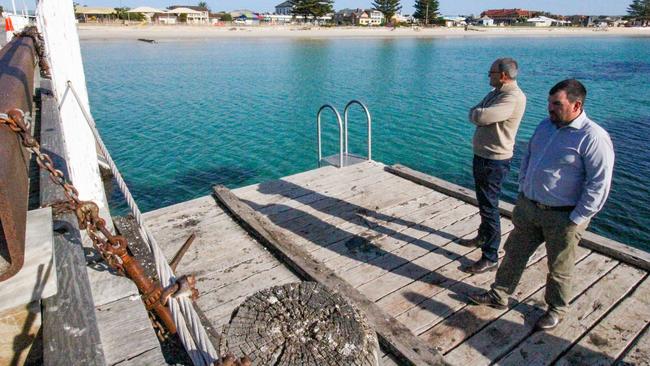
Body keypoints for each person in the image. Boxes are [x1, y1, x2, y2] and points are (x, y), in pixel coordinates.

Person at [468, 79, 615, 331]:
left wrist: (577, 217)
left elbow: (599, 184)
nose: (550, 108)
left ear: (577, 105)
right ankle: (499, 294)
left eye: (557, 104)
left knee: (559, 267)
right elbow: (528, 157)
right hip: (529, 208)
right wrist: (524, 189)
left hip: (564, 217)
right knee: (513, 253)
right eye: (549, 103)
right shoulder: (546, 126)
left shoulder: (593, 137)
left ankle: (556, 309)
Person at [460, 58, 527, 274]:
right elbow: (476, 113)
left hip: (494, 159)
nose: (488, 75)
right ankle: (482, 236)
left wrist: (478, 114)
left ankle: (490, 256)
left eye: (491, 72)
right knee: (483, 201)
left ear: (503, 75)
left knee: (490, 206)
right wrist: (477, 114)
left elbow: (480, 114)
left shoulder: (511, 97)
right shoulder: (496, 93)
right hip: (483, 155)